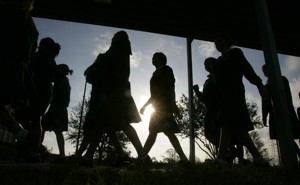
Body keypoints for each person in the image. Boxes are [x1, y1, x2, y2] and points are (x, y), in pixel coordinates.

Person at [77, 30, 147, 167]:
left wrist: (94, 70)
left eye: (115, 36)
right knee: (106, 125)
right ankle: (116, 156)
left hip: (114, 94)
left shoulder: (116, 51)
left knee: (120, 123)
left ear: (119, 38)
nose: (112, 38)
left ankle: (142, 156)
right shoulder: (119, 52)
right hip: (115, 92)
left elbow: (106, 72)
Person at [212, 34, 269, 166]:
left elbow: (246, 68)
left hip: (235, 94)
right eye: (215, 42)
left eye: (219, 40)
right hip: (222, 98)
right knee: (234, 127)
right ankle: (258, 158)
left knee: (230, 125)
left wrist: (259, 84)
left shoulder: (235, 53)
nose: (216, 44)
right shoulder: (218, 61)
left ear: (227, 41)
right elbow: (216, 83)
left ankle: (220, 159)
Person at [0, 0, 39, 161]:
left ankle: (23, 136)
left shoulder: (5, 12)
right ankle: (26, 140)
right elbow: (32, 55)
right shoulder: (31, 24)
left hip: (4, 62)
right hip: (20, 69)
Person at [193, 57, 247, 165]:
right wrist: (197, 92)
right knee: (210, 134)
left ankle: (233, 158)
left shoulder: (221, 76)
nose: (205, 66)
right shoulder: (208, 81)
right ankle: (229, 151)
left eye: (207, 63)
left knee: (232, 133)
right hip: (211, 111)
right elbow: (204, 98)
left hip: (222, 108)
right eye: (204, 64)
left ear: (215, 64)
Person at [140, 52, 189, 165]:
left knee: (167, 132)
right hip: (156, 108)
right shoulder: (154, 74)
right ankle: (142, 158)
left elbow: (171, 87)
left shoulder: (167, 70)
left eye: (155, 57)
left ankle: (184, 159)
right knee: (154, 133)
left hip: (165, 106)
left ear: (161, 59)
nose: (152, 59)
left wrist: (173, 103)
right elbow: (153, 96)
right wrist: (145, 106)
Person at [261, 64, 300, 160]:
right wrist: (264, 116)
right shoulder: (267, 86)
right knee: (281, 138)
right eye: (264, 71)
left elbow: (287, 96)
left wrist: (289, 110)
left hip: (285, 111)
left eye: (266, 70)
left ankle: (294, 159)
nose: (265, 72)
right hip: (275, 116)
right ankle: (287, 160)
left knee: (288, 136)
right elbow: (265, 103)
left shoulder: (282, 79)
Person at [41, 64, 72, 162]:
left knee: (44, 127)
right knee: (47, 128)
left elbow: (54, 76)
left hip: (58, 108)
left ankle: (36, 151)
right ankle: (61, 156)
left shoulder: (62, 79)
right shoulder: (65, 80)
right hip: (59, 108)